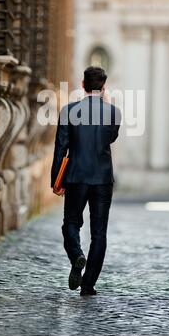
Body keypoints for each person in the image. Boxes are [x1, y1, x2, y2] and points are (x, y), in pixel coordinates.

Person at [51, 66, 121, 296]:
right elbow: (110, 138)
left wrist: (56, 181)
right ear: (103, 87)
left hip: (76, 177)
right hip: (102, 179)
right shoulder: (114, 113)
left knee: (70, 223)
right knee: (99, 232)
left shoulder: (68, 111)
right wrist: (107, 103)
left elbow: (61, 147)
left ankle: (77, 256)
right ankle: (88, 284)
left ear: (82, 85)